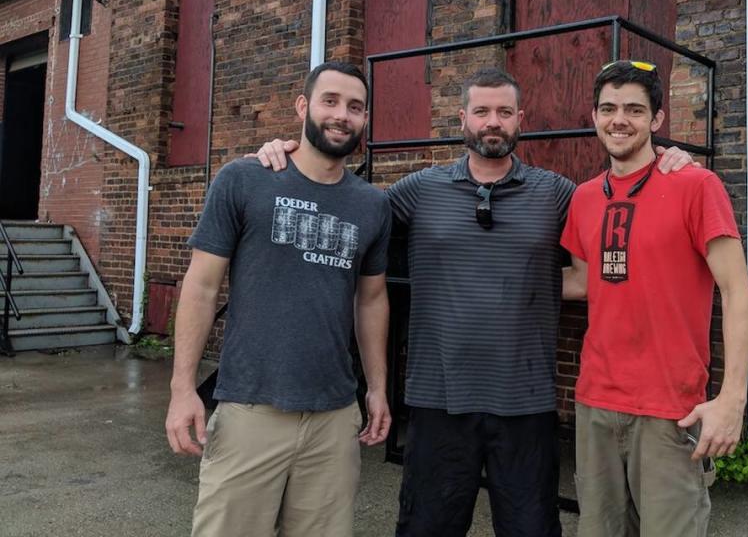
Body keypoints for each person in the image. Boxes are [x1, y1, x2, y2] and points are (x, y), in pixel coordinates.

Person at [255, 66, 694, 537]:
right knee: (427, 527)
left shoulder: (556, 194)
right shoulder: (420, 191)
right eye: (481, 111)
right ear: (462, 117)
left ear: (519, 119)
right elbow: (349, 208)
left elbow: (616, 215)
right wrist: (289, 154)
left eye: (504, 112)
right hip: (438, 400)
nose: (492, 122)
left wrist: (665, 160)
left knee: (532, 529)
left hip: (525, 402)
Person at [165, 61, 393, 537]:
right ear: (303, 106)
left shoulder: (372, 206)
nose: (342, 115)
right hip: (251, 408)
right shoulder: (245, 179)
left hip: (333, 416)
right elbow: (202, 287)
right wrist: (182, 388)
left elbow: (370, 300)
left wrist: (375, 387)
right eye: (330, 101)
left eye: (355, 107)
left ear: (365, 119)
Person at [561, 60, 748, 537]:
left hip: (671, 409)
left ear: (657, 119)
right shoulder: (584, 198)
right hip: (596, 404)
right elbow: (583, 283)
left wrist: (732, 399)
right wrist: (493, 275)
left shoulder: (695, 185)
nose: (619, 119)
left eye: (633, 108)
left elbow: (737, 291)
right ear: (594, 117)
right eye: (608, 108)